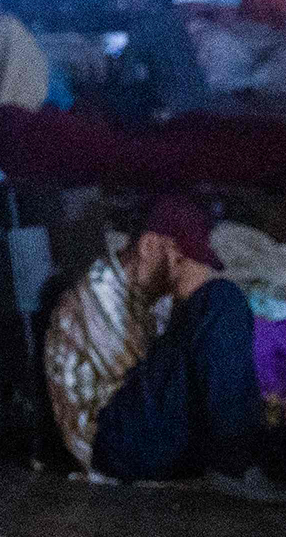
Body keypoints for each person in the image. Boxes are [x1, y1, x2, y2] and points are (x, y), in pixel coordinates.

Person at [42, 196, 265, 484]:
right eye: (184, 258)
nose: (190, 270)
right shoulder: (95, 293)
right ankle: (239, 462)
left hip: (132, 431)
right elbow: (135, 378)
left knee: (218, 307)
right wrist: (194, 301)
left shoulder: (149, 297)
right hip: (108, 442)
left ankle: (243, 453)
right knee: (221, 299)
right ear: (148, 246)